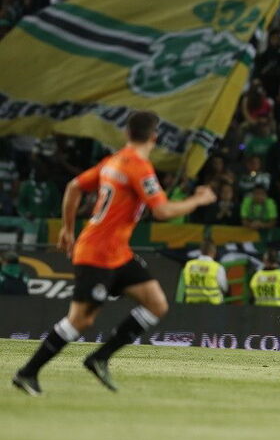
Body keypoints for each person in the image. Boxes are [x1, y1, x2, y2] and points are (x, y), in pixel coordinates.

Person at [12, 111, 216, 396]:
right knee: (80, 320)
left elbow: (74, 187)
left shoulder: (114, 161)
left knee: (156, 302)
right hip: (97, 252)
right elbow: (162, 211)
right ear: (154, 138)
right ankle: (27, 373)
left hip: (117, 252)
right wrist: (198, 200)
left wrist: (67, 229)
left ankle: (100, 357)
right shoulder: (138, 166)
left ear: (126, 134)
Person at [180, 240, 228, 305]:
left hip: (192, 305)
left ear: (200, 251)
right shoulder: (217, 267)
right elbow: (225, 288)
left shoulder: (189, 265)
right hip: (213, 306)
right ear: (214, 251)